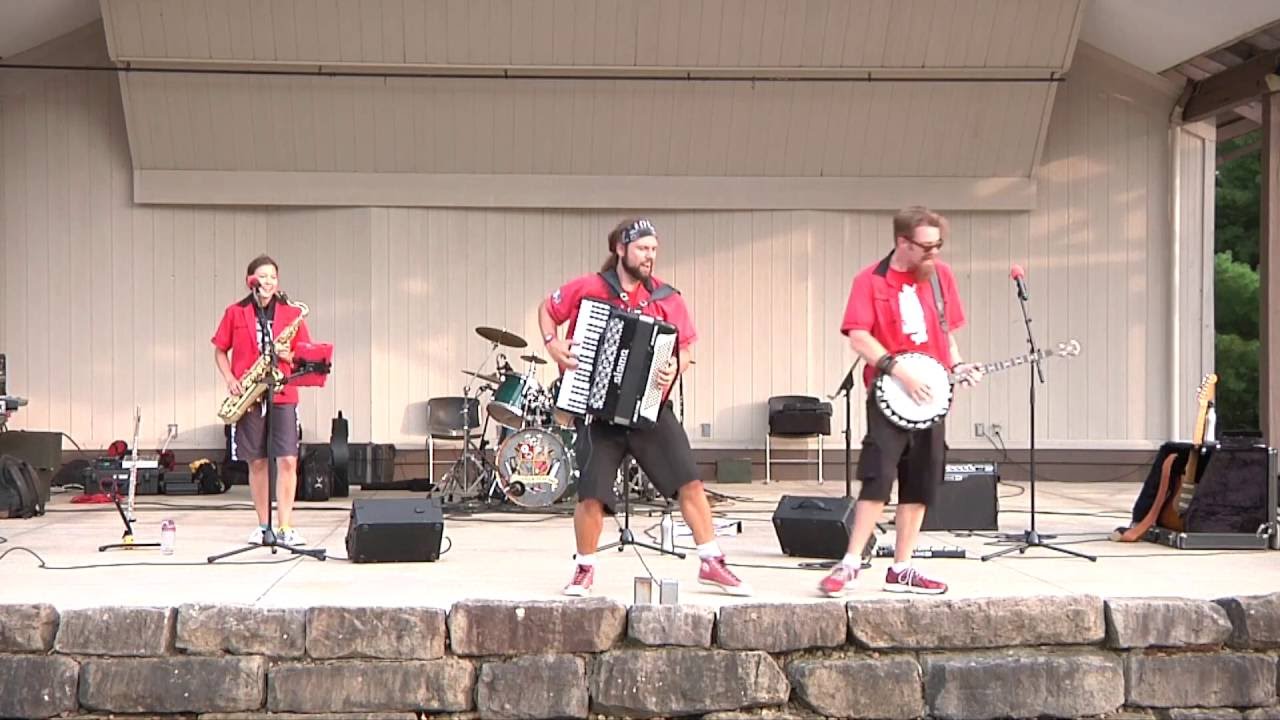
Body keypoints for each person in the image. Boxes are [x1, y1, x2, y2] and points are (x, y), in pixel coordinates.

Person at [538, 217, 751, 597]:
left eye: (653, 249)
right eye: (642, 248)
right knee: (591, 494)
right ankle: (584, 569)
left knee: (689, 481)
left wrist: (676, 363)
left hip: (649, 408)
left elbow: (686, 348)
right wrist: (553, 342)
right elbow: (547, 309)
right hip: (597, 410)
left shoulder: (667, 298)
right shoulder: (588, 288)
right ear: (620, 249)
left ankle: (711, 561)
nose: (649, 256)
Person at [819, 206, 983, 597]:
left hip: (931, 396)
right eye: (926, 247)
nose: (934, 254)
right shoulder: (870, 281)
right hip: (890, 393)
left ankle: (902, 567)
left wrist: (958, 365)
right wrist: (900, 373)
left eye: (938, 245)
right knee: (879, 474)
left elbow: (947, 334)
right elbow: (860, 337)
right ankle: (850, 563)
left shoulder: (941, 278)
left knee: (921, 478)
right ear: (902, 243)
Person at [212, 254, 310, 546]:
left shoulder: (291, 313)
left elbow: (304, 353)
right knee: (257, 462)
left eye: (273, 277)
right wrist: (230, 379)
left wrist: (287, 356)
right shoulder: (235, 312)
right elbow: (219, 350)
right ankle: (264, 525)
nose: (268, 282)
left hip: (283, 392)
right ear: (250, 280)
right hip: (249, 393)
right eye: (263, 276)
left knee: (289, 461)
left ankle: (286, 526)